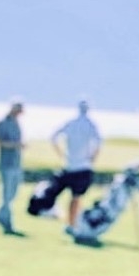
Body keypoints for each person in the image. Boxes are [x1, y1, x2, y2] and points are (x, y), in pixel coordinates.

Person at [50, 99, 102, 233]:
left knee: (76, 197)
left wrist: (61, 154)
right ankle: (72, 224)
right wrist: (92, 158)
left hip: (70, 165)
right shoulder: (90, 125)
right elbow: (98, 143)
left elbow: (54, 137)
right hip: (83, 166)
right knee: (76, 197)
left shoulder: (71, 123)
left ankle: (74, 222)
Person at [0, 99, 24, 234]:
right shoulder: (3, 123)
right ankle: (6, 220)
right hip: (7, 162)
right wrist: (16, 145)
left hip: (16, 162)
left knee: (13, 192)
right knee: (7, 193)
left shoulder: (17, 123)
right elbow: (0, 143)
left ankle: (0, 214)